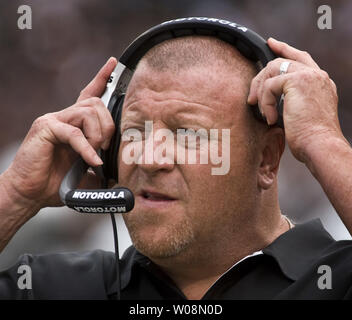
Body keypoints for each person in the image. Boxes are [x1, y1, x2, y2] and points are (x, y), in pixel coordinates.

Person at [0, 34, 351, 300]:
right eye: (135, 131)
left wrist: (322, 139)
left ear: (267, 159)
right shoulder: (57, 287)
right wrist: (15, 194)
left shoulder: (333, 279)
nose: (150, 159)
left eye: (188, 135)